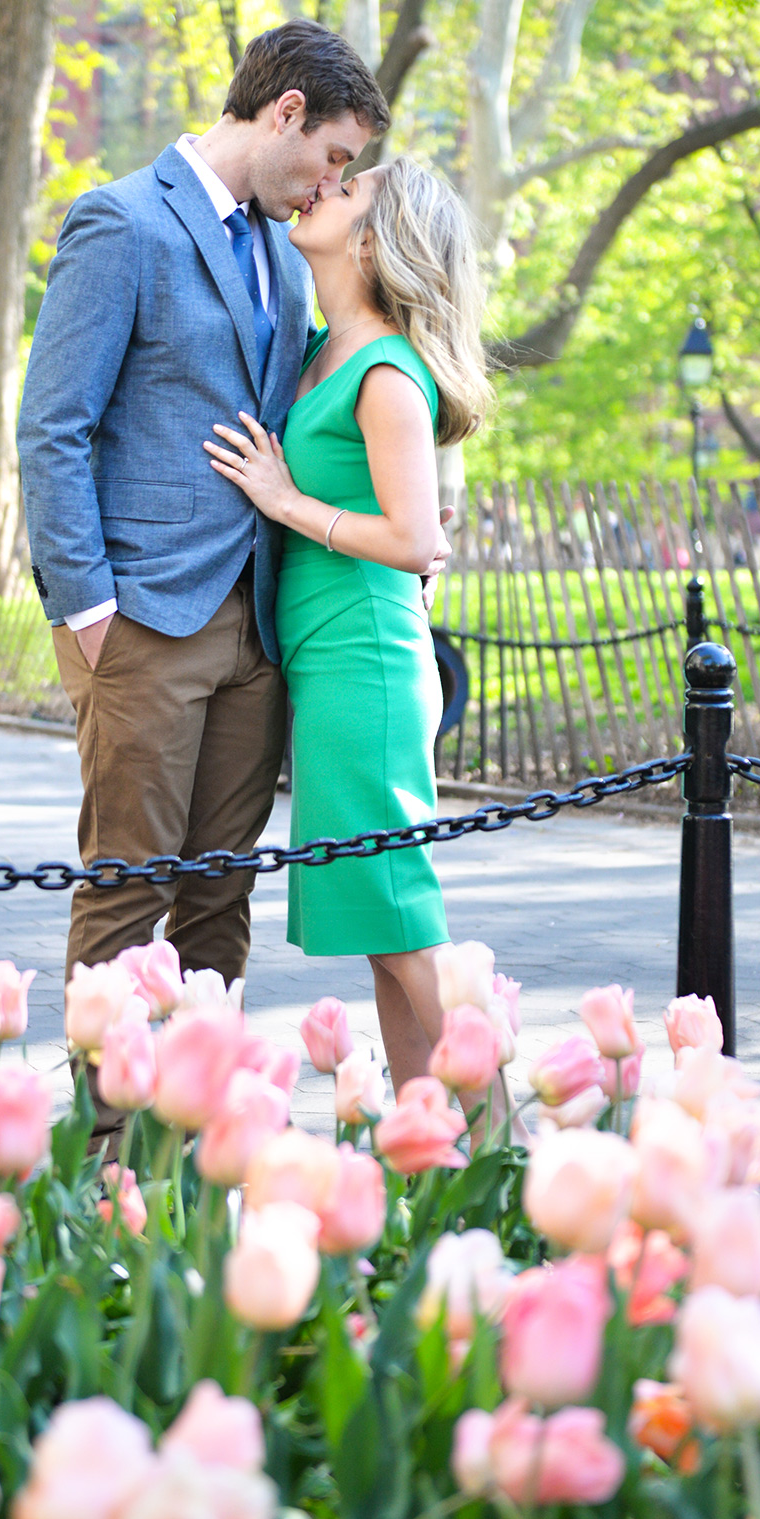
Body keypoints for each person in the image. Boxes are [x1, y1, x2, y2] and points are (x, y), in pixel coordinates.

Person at [17, 21, 399, 1154]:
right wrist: (86, 605)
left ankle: (188, 1148)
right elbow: (55, 426)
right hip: (142, 618)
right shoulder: (122, 221)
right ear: (284, 112)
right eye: (332, 155)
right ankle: (100, 1162)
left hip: (256, 624)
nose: (333, 183)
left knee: (221, 894)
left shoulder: (289, 259)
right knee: (129, 889)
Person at [202, 154, 515, 1137]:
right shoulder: (323, 352)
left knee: (405, 920)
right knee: (388, 935)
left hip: (367, 667)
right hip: (332, 664)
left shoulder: (383, 371)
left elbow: (416, 539)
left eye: (343, 192)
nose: (317, 192)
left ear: (375, 241)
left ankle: (506, 1141)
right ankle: (430, 1155)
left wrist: (287, 502)